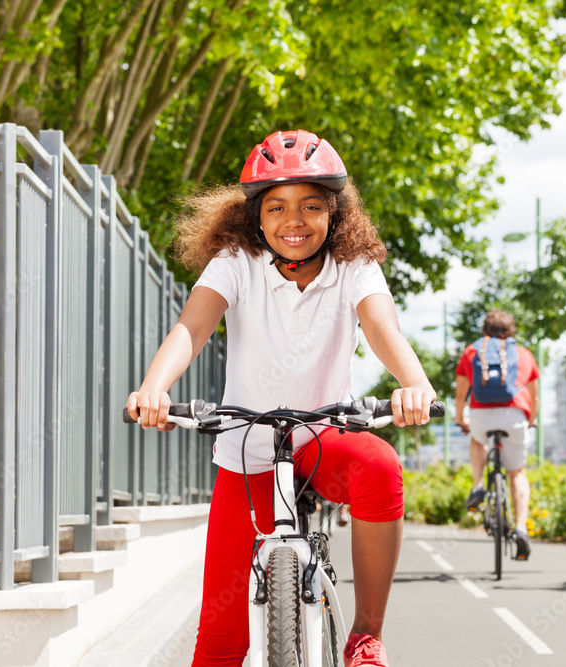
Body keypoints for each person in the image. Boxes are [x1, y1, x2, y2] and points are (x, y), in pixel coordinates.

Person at [125, 130, 437, 667]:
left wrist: (415, 383)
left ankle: (365, 634)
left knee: (381, 466)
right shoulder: (234, 262)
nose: (295, 220)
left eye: (311, 206)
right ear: (256, 218)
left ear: (334, 214)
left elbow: (384, 328)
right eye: (277, 207)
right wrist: (155, 387)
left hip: (324, 438)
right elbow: (191, 328)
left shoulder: (355, 267)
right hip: (247, 456)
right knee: (219, 647)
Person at [454, 308, 540, 560]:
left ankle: (479, 485)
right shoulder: (523, 354)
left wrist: (461, 419)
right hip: (515, 416)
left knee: (477, 439)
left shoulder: (472, 352)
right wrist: (531, 420)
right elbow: (534, 397)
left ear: (485, 329)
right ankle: (522, 529)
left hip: (481, 415)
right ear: (511, 330)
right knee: (517, 473)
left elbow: (461, 394)